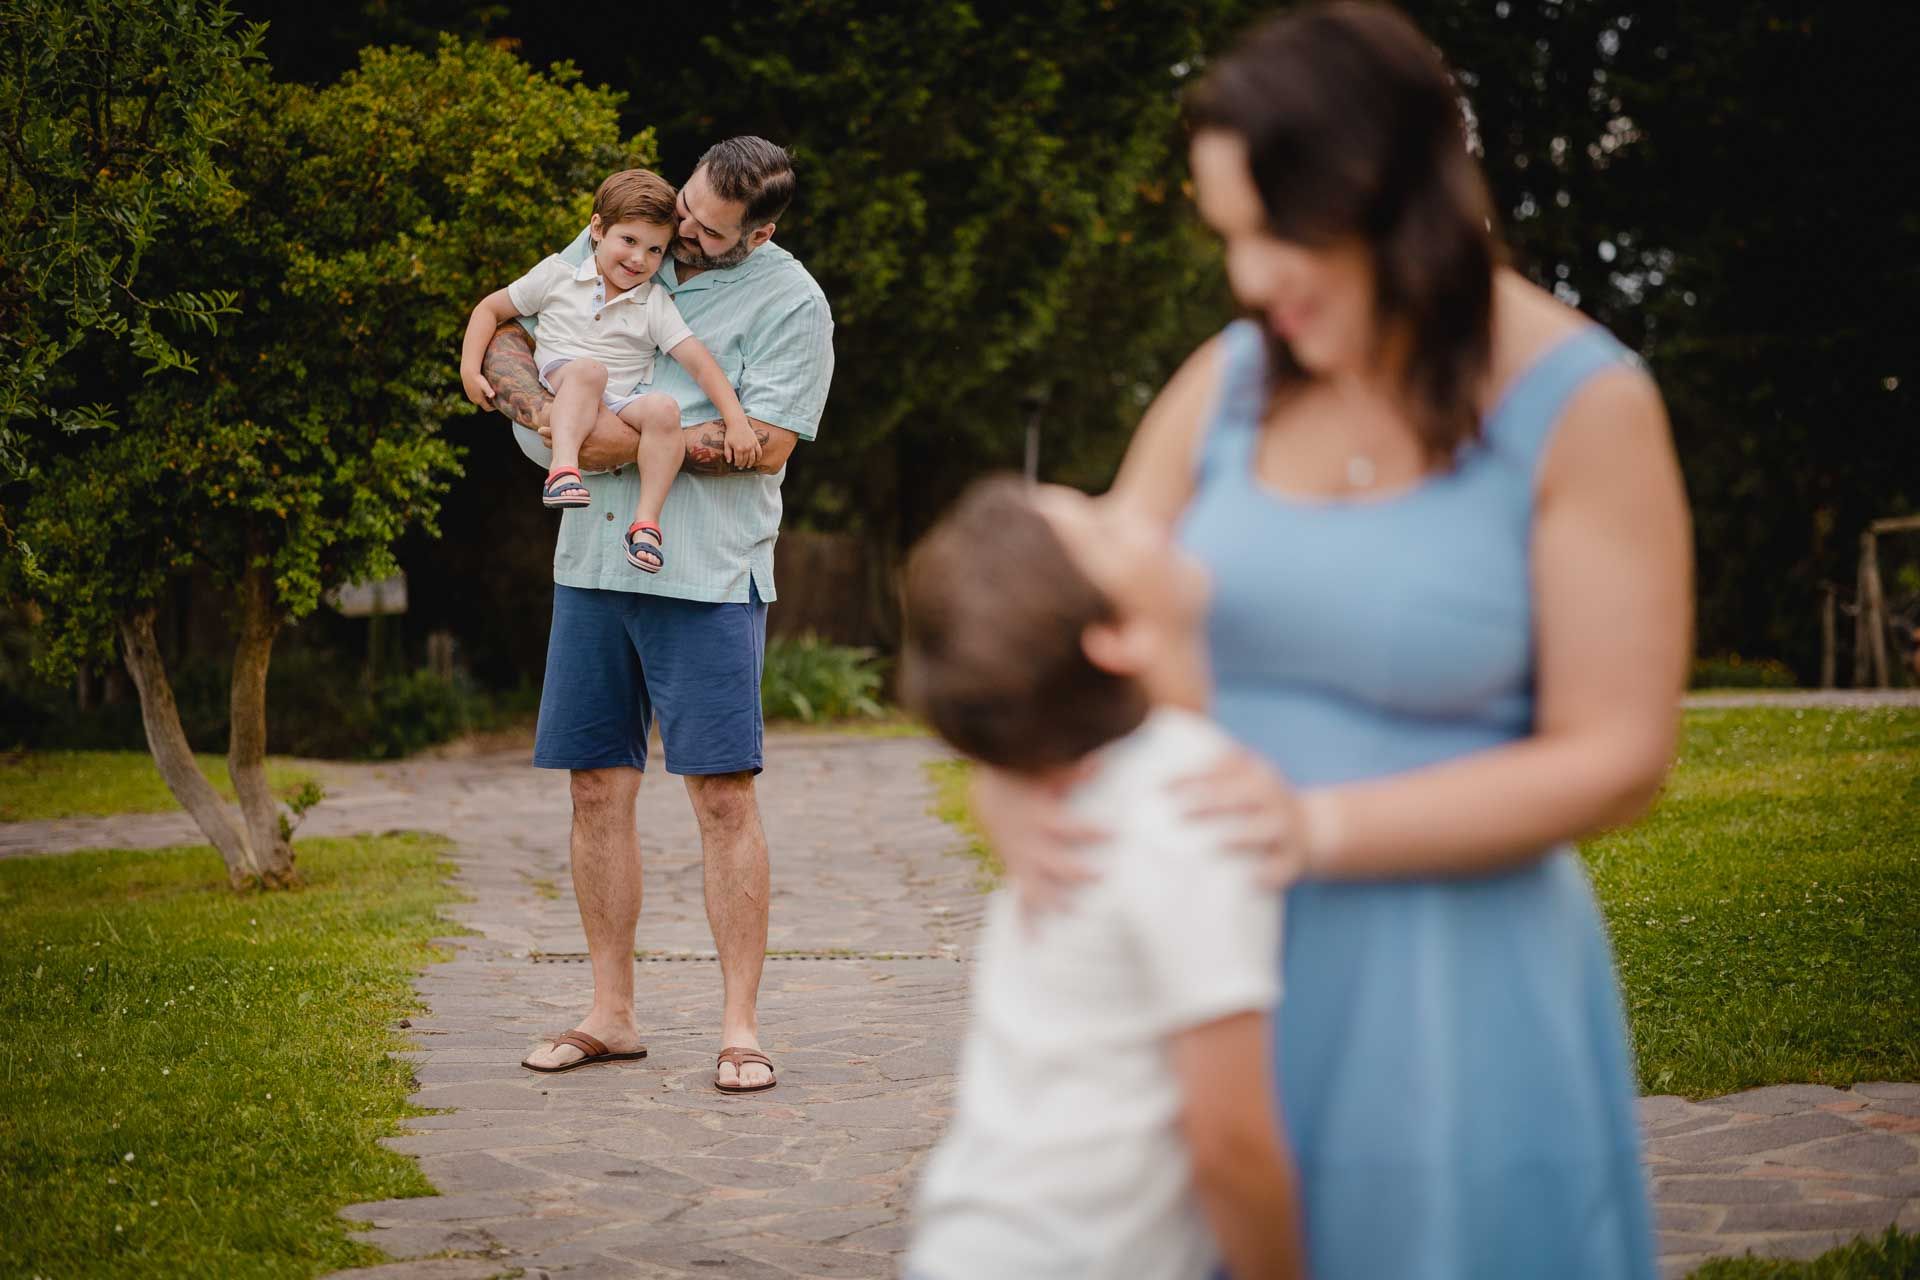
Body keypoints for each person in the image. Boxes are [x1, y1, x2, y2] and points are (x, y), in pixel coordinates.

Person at [972, 5, 1690, 1276]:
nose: (1252, 281)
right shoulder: (1233, 380)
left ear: (1390, 196)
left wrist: (1319, 828)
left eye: (1279, 234)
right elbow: (1071, 609)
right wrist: (1012, 779)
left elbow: (1622, 751)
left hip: (1453, 995)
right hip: (1214, 980)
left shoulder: (1586, 406)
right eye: (1230, 238)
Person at [477, 137, 834, 1093]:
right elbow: (517, 332)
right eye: (682, 206)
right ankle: (612, 1014)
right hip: (592, 562)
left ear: (755, 233)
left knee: (722, 798)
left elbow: (769, 445)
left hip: (707, 576)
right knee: (595, 787)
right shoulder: (630, 237)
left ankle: (740, 1029)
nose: (679, 233)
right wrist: (536, 405)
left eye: (707, 229)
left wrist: (606, 446)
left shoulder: (791, 302)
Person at [898, 476, 1302, 1280]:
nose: (1141, 515)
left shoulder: (1078, 784)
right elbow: (1231, 1140)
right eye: (1108, 532)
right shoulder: (1192, 805)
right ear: (1115, 637)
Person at [459, 167, 761, 573]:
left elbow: (699, 362)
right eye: (629, 241)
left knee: (663, 411)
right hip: (563, 379)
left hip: (618, 400)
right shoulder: (558, 276)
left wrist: (735, 420)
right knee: (589, 373)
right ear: (598, 229)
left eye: (655, 250)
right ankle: (563, 471)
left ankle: (645, 525)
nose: (639, 259)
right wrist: (468, 368)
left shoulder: (652, 302)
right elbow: (490, 308)